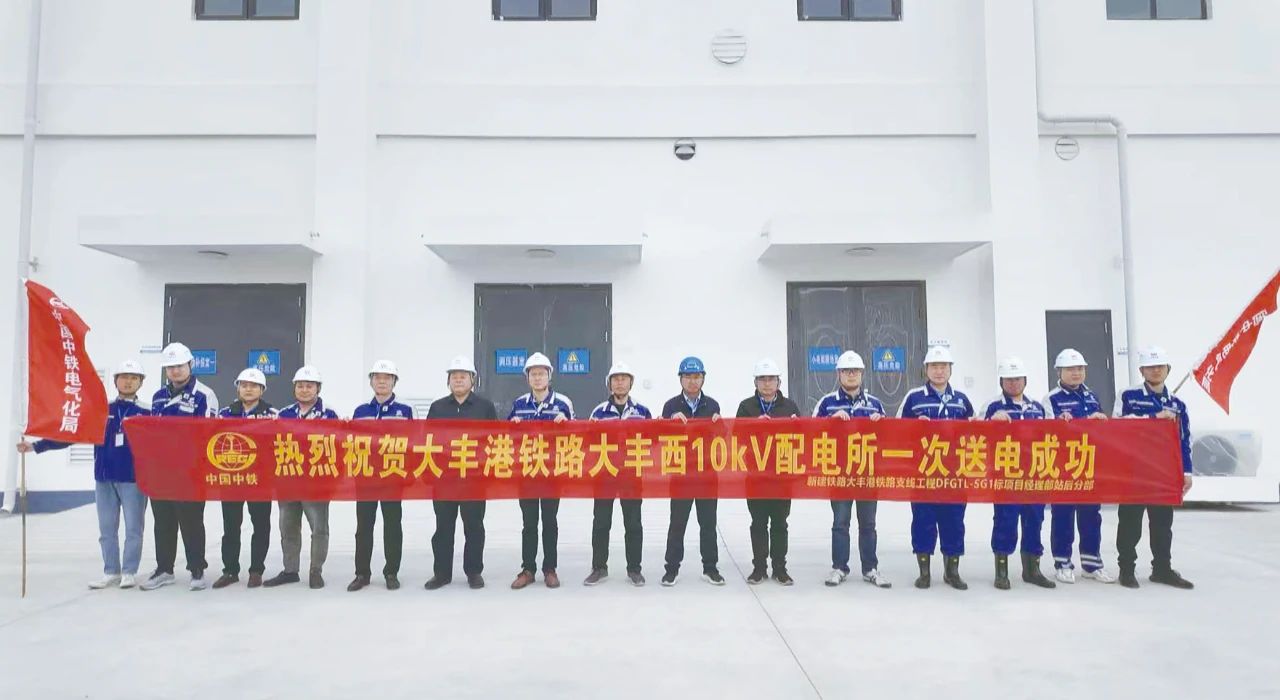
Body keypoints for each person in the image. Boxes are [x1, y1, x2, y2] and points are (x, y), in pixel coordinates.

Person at [16, 360, 151, 589]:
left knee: (133, 529)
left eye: (134, 378)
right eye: (124, 377)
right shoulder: (101, 410)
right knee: (106, 530)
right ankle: (111, 571)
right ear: (115, 380)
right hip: (104, 479)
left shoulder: (147, 412)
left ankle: (129, 572)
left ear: (140, 382)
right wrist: (37, 446)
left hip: (133, 480)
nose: (128, 382)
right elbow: (72, 435)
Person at [1114, 346, 1195, 589]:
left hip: (1163, 474)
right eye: (1150, 367)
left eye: (1160, 366)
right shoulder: (1128, 395)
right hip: (1133, 472)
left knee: (1162, 524)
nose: (1156, 371)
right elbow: (1117, 425)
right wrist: (1153, 418)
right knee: (1130, 523)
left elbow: (1185, 440)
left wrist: (1187, 473)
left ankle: (1162, 569)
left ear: (1168, 369)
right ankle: (1126, 570)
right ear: (1142, 370)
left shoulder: (1177, 404)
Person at [142, 342, 218, 591]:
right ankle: (164, 569)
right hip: (161, 473)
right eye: (170, 367)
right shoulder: (158, 396)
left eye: (179, 366)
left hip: (190, 472)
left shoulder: (204, 395)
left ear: (190, 365)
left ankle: (197, 570)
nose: (175, 371)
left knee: (191, 522)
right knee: (163, 522)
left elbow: (209, 434)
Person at [812, 350, 891, 589]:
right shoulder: (827, 403)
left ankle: (870, 568)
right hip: (840, 474)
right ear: (838, 374)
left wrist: (881, 423)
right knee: (841, 522)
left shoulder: (875, 404)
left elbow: (890, 439)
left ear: (862, 374)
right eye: (846, 371)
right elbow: (810, 432)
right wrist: (830, 421)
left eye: (855, 371)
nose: (851, 375)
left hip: (867, 473)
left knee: (868, 524)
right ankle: (839, 567)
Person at [898, 345, 975, 590]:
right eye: (934, 366)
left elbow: (976, 432)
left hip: (954, 474)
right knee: (923, 521)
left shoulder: (962, 400)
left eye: (943, 367)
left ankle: (952, 572)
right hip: (923, 473)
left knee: (954, 522)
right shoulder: (913, 398)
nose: (939, 371)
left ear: (950, 370)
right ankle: (924, 572)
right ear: (926, 370)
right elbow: (896, 431)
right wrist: (914, 425)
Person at [424, 355, 498, 591]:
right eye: (454, 376)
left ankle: (474, 572)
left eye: (463, 376)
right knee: (443, 529)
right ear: (448, 381)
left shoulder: (485, 407)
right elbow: (427, 440)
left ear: (472, 380)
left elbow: (494, 441)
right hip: (444, 479)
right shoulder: (437, 408)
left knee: (474, 527)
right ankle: (442, 573)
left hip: (474, 480)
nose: (458, 380)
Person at [982, 357, 1056, 590]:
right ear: (1001, 381)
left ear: (1025, 380)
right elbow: (976, 434)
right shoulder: (992, 406)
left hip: (1034, 475)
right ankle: (1001, 571)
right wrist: (991, 421)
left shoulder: (1037, 407)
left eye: (1017, 379)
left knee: (1035, 520)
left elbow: (1053, 435)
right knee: (1005, 520)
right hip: (1005, 476)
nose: (1013, 383)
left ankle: (1032, 570)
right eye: (1008, 379)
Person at [1044, 348, 1116, 584]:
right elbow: (1047, 432)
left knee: (1091, 516)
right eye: (1070, 369)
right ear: (1059, 372)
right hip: (1062, 467)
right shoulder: (1051, 399)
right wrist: (1073, 423)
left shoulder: (1091, 396)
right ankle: (1063, 563)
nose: (1076, 373)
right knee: (1063, 516)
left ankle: (1092, 564)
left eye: (1079, 369)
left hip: (1088, 465)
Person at [264, 365, 337, 590]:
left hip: (316, 483)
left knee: (319, 529)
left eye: (309, 386)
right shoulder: (283, 414)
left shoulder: (329, 415)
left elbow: (338, 448)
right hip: (288, 482)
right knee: (288, 528)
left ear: (318, 389)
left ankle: (315, 571)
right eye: (300, 386)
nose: (304, 390)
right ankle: (290, 570)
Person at [508, 352, 574, 590]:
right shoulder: (519, 404)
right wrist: (512, 427)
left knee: (549, 521)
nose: (537, 378)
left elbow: (577, 437)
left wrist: (566, 424)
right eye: (533, 374)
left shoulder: (563, 403)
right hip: (526, 472)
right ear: (527, 378)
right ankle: (528, 569)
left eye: (541, 373)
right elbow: (507, 439)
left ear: (549, 376)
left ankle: (550, 569)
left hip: (551, 473)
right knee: (529, 523)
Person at [348, 359, 414, 592]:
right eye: (377, 378)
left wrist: (409, 474)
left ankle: (391, 572)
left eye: (387, 378)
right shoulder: (360, 411)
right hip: (365, 477)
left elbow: (413, 443)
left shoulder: (405, 411)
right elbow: (351, 443)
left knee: (392, 525)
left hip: (392, 476)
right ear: (371, 382)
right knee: (363, 527)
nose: (382, 382)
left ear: (394, 382)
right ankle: (362, 573)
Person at [584, 362, 652, 587]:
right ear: (609, 384)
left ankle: (634, 569)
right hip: (604, 475)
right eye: (616, 379)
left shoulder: (642, 412)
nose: (620, 383)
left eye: (624, 379)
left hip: (631, 475)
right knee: (601, 523)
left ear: (631, 383)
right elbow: (587, 444)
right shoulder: (598, 412)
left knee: (633, 524)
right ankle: (599, 568)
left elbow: (653, 441)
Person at [661, 356, 726, 587]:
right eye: (687, 376)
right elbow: (660, 438)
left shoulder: (712, 405)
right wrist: (669, 421)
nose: (692, 381)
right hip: (681, 475)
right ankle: (671, 569)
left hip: (707, 475)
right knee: (677, 524)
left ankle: (710, 568)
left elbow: (721, 439)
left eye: (697, 376)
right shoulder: (671, 406)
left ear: (703, 378)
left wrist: (720, 425)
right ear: (680, 379)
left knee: (708, 524)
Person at [737, 358, 801, 586]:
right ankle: (759, 568)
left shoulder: (790, 407)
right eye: (762, 379)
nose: (767, 383)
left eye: (771, 379)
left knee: (780, 523)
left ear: (779, 382)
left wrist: (796, 427)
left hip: (782, 475)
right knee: (758, 523)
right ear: (755, 382)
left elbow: (802, 438)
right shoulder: (746, 407)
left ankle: (780, 568)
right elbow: (737, 437)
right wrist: (754, 424)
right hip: (756, 476)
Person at [213, 368, 278, 589]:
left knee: (261, 525)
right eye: (244, 385)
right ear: (238, 388)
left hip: (260, 480)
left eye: (253, 386)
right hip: (231, 478)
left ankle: (256, 570)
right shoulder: (224, 413)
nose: (248, 389)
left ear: (262, 390)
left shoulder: (273, 414)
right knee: (231, 526)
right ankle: (230, 570)